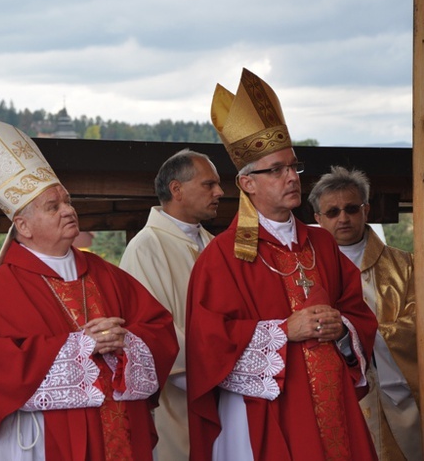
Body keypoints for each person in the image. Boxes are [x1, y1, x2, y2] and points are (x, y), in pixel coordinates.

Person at [0, 121, 178, 461]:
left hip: (121, 436)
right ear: (23, 226)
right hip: (43, 439)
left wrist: (125, 342)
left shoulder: (108, 276)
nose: (69, 210)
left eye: (67, 201)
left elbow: (161, 332)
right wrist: (83, 346)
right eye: (52, 206)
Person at [186, 68, 379, 461]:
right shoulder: (222, 256)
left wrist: (341, 328)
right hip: (265, 411)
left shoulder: (322, 242)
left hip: (332, 402)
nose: (292, 177)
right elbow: (208, 346)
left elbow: (358, 313)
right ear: (247, 184)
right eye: (276, 170)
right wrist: (282, 331)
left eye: (293, 166)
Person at [309, 165, 421, 461]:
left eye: (351, 208)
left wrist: (355, 336)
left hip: (393, 399)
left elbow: (418, 325)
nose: (343, 218)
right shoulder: (305, 271)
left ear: (366, 210)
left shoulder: (406, 266)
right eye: (332, 212)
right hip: (330, 396)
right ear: (317, 219)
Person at [119, 148, 223, 460]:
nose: (220, 192)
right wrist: (218, 377)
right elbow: (153, 331)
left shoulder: (216, 246)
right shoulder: (145, 248)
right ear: (176, 189)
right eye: (209, 185)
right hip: (180, 398)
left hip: (224, 388)